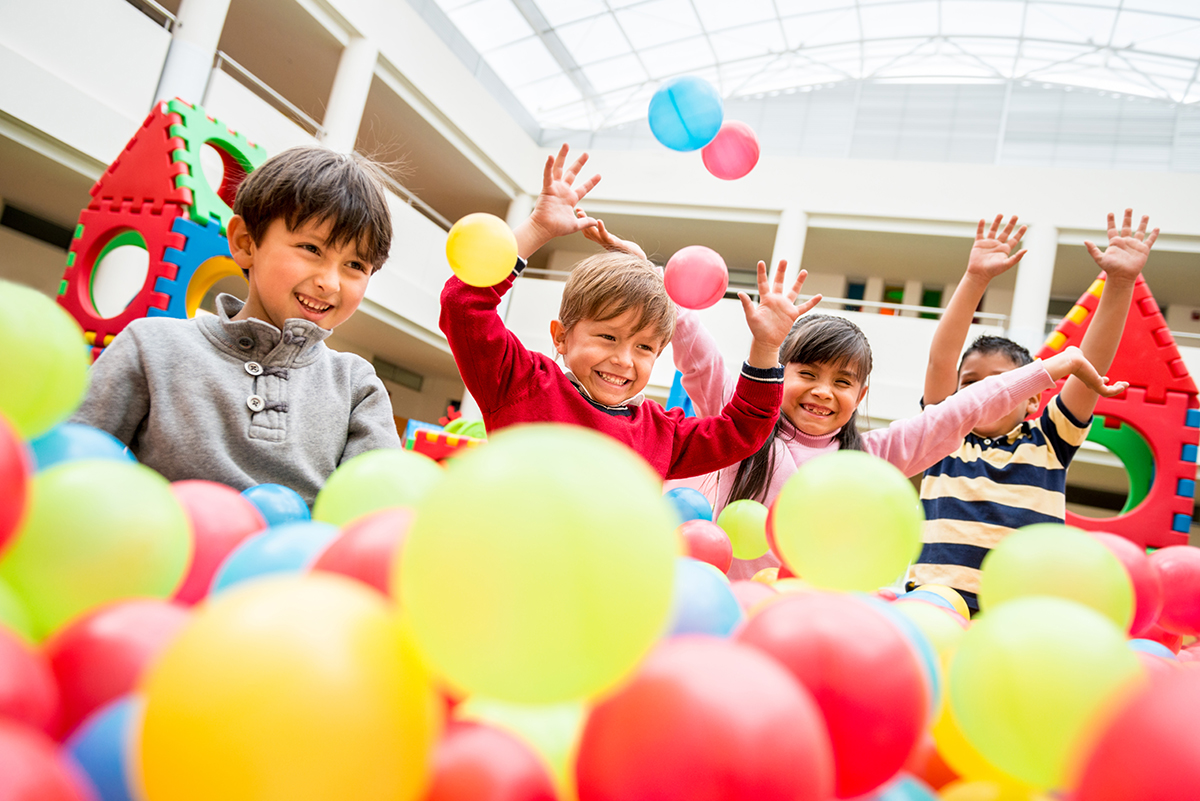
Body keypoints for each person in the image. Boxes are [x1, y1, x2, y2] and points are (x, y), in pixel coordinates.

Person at [600, 214, 1129, 579]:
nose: (823, 392)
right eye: (808, 373)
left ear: (862, 393)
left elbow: (961, 409)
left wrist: (1049, 368)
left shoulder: (871, 458)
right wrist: (648, 274)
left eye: (843, 381)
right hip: (717, 603)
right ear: (781, 372)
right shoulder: (740, 421)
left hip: (798, 617)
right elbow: (698, 355)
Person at [439, 145, 804, 480]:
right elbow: (462, 304)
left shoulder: (662, 434)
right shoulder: (522, 383)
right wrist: (536, 229)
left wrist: (767, 347)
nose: (623, 360)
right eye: (609, 337)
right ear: (561, 336)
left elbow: (742, 431)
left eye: (644, 348)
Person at [73, 146, 402, 505]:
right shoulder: (152, 346)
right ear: (246, 243)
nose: (330, 282)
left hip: (296, 561)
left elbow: (375, 516)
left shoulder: (357, 386)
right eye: (311, 248)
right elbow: (67, 464)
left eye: (355, 265)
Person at [910, 210, 1158, 612]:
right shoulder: (945, 435)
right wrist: (975, 279)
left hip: (1021, 614)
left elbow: (1088, 361)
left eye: (1002, 383)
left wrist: (1121, 282)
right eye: (972, 383)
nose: (987, 391)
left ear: (1031, 399)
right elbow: (942, 360)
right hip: (937, 607)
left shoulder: (1048, 441)